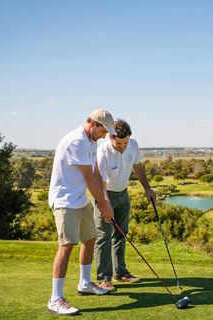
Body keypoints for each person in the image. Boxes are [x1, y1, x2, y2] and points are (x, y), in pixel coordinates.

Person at [47, 110, 117, 316]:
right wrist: (103, 206)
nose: (104, 136)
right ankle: (55, 299)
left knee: (90, 238)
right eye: (103, 131)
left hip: (79, 199)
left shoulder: (92, 141)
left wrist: (105, 202)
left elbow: (96, 172)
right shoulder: (76, 141)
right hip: (64, 200)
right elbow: (88, 178)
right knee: (66, 245)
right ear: (94, 124)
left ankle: (85, 284)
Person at [93, 120, 156, 292]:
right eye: (119, 143)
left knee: (121, 234)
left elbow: (137, 166)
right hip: (104, 195)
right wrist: (105, 205)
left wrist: (148, 189)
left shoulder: (132, 145)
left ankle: (120, 273)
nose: (123, 146)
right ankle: (104, 279)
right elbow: (101, 184)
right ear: (111, 137)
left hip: (123, 193)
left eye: (125, 143)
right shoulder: (102, 152)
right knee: (103, 236)